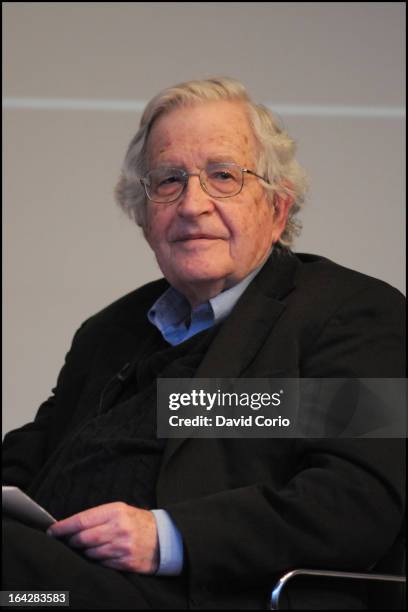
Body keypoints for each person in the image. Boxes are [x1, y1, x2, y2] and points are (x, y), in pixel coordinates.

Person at [2, 77, 405, 610]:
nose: (193, 204)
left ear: (278, 208)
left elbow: (355, 502)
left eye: (223, 176)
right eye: (168, 181)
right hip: (54, 584)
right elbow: (30, 456)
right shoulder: (110, 332)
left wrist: (165, 538)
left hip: (198, 591)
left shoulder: (349, 312)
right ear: (145, 218)